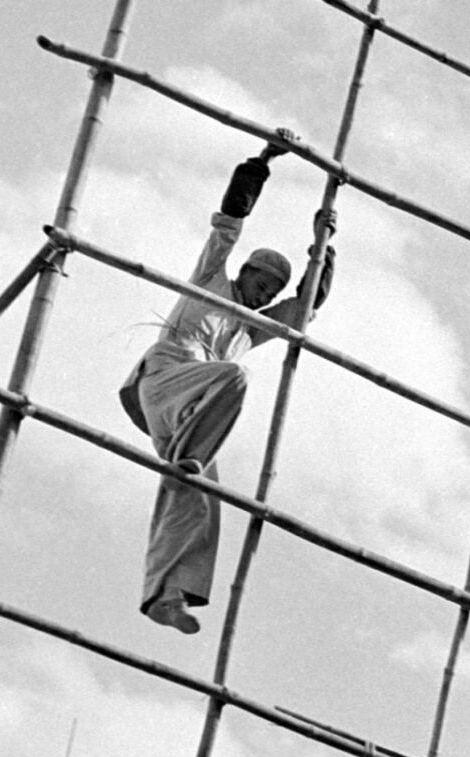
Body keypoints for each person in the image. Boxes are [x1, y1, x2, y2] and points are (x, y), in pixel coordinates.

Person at [118, 129, 337, 634]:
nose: (263, 297)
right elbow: (230, 219)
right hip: (169, 381)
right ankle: (193, 454)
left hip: (194, 418)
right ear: (246, 272)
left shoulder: (250, 330)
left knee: (196, 497)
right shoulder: (213, 278)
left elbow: (304, 309)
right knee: (234, 376)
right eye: (261, 284)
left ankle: (166, 596)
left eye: (270, 293)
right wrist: (264, 160)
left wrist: (323, 249)